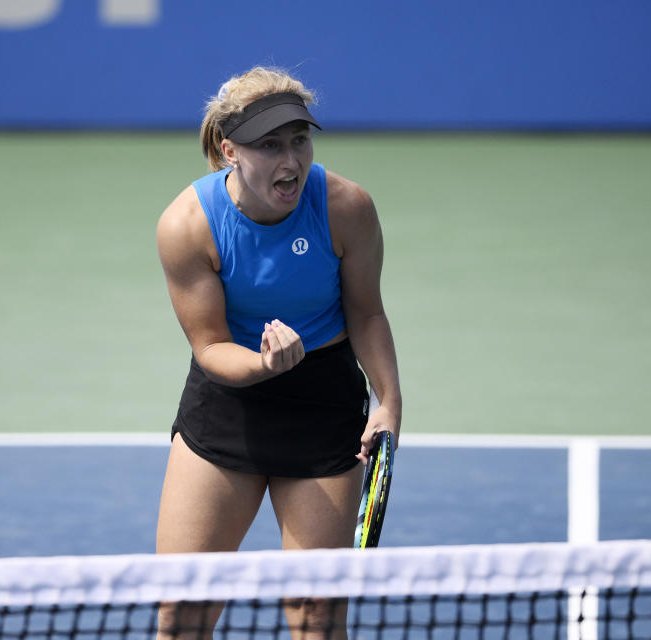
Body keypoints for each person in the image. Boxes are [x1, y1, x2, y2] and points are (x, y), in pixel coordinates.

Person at [155, 66, 402, 639]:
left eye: (299, 140)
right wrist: (264, 365)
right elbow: (211, 344)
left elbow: (366, 312)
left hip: (322, 406)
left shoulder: (345, 208)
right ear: (229, 150)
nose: (290, 161)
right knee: (181, 614)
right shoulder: (188, 225)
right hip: (228, 404)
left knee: (315, 618)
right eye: (269, 145)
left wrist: (389, 402)